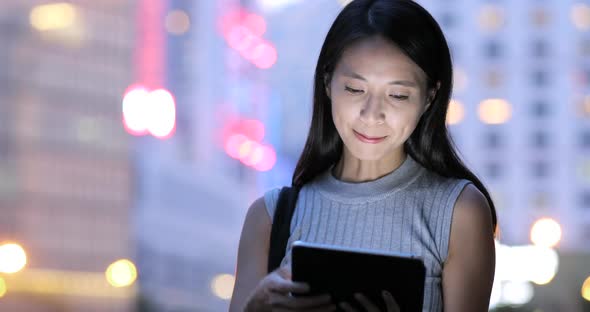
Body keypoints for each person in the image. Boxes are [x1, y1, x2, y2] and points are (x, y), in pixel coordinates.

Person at [229, 0, 497, 311]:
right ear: (328, 82)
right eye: (355, 89)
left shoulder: (459, 213)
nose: (372, 114)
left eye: (397, 95)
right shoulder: (270, 218)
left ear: (429, 98)